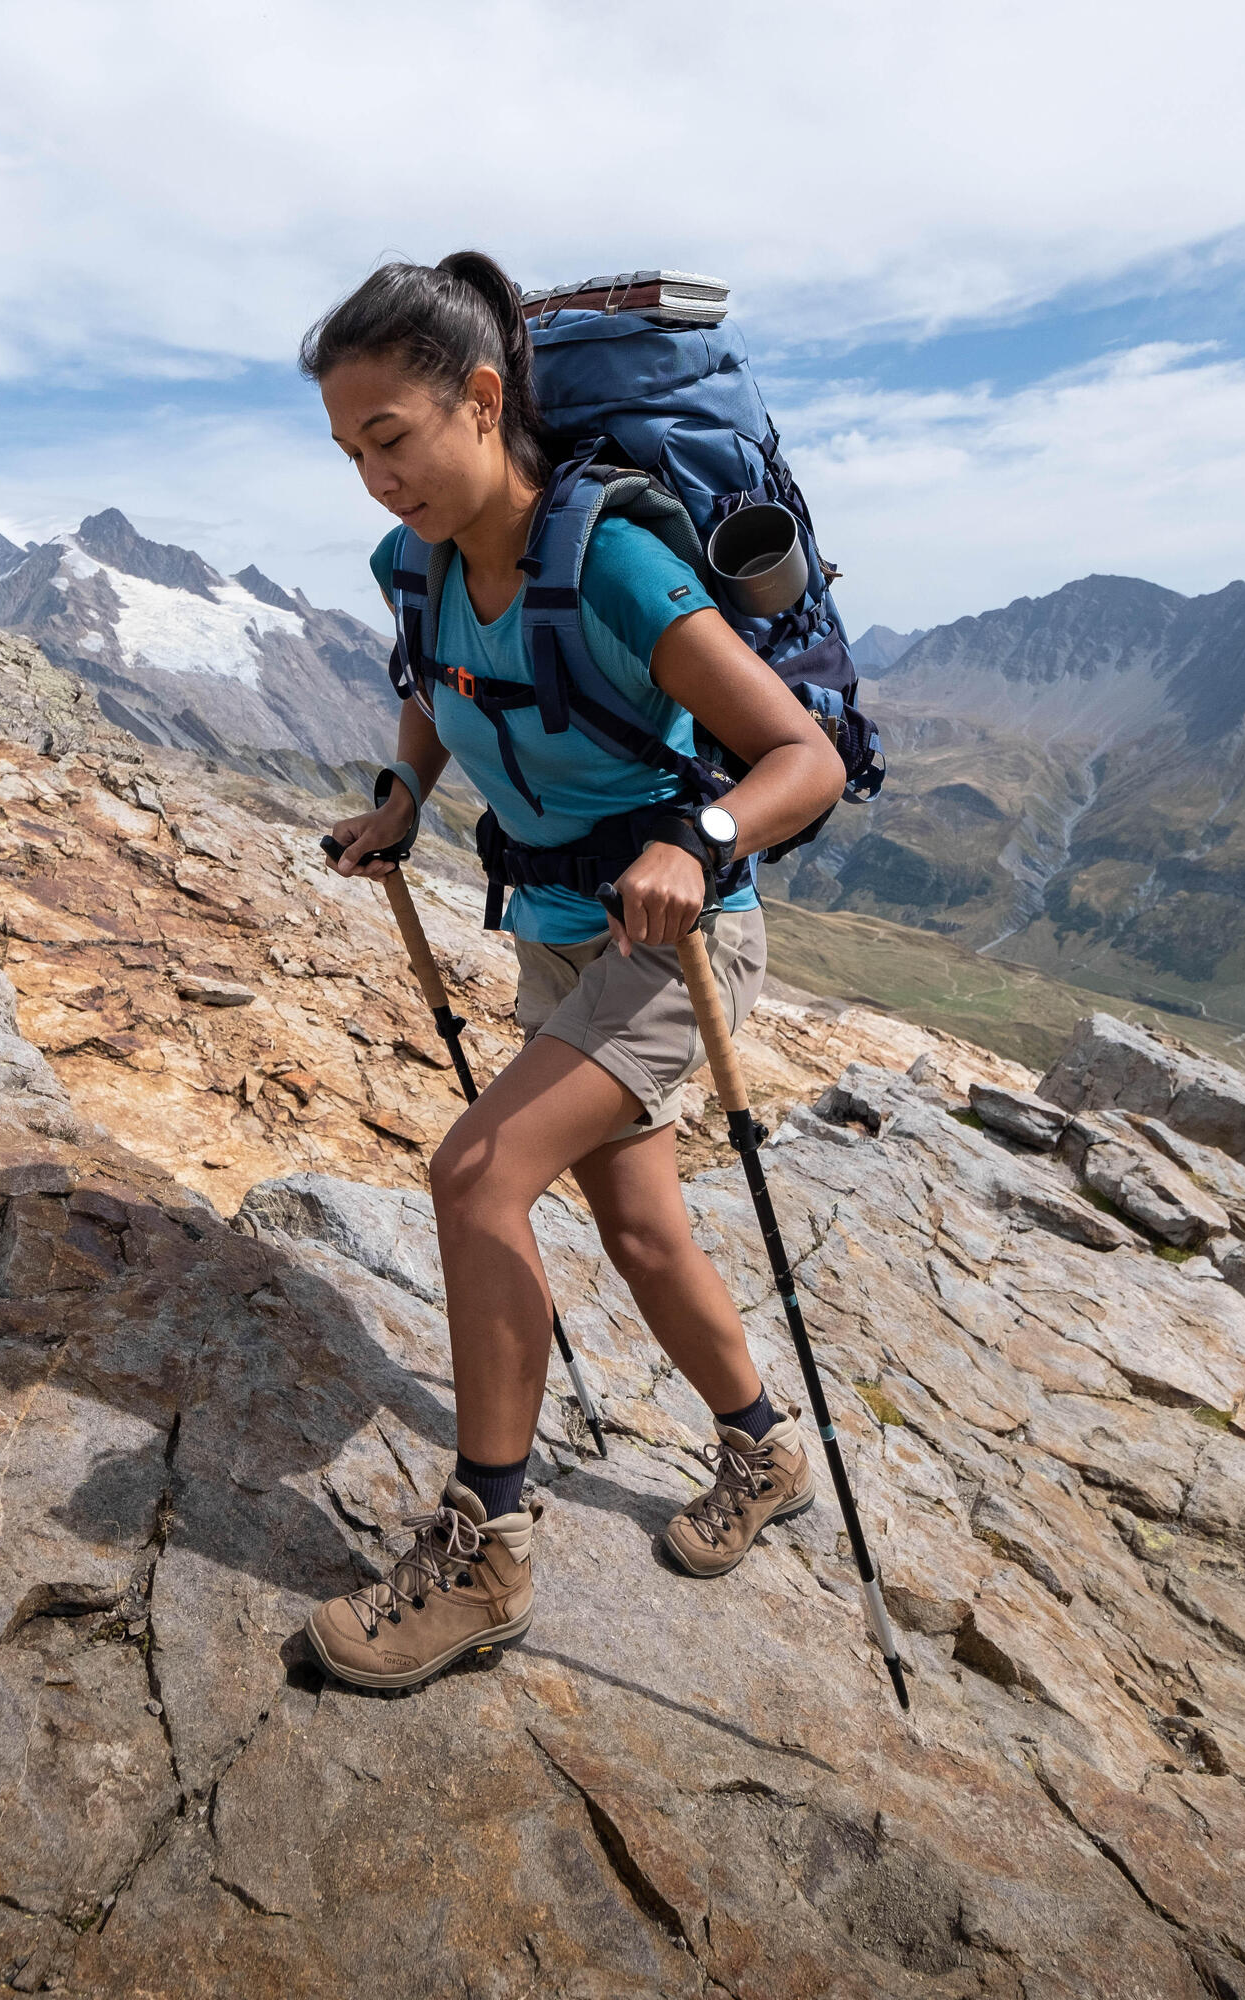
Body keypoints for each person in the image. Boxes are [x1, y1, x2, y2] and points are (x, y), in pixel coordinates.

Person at [299, 252, 847, 1691]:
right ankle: (764, 1451)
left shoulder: (610, 555)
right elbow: (437, 683)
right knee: (641, 1225)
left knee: (477, 1172)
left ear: (484, 400)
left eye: (393, 437)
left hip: (670, 949)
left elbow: (806, 759)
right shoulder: (415, 563)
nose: (375, 476)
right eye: (352, 449)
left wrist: (702, 838)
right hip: (551, 933)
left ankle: (485, 1549)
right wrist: (403, 797)